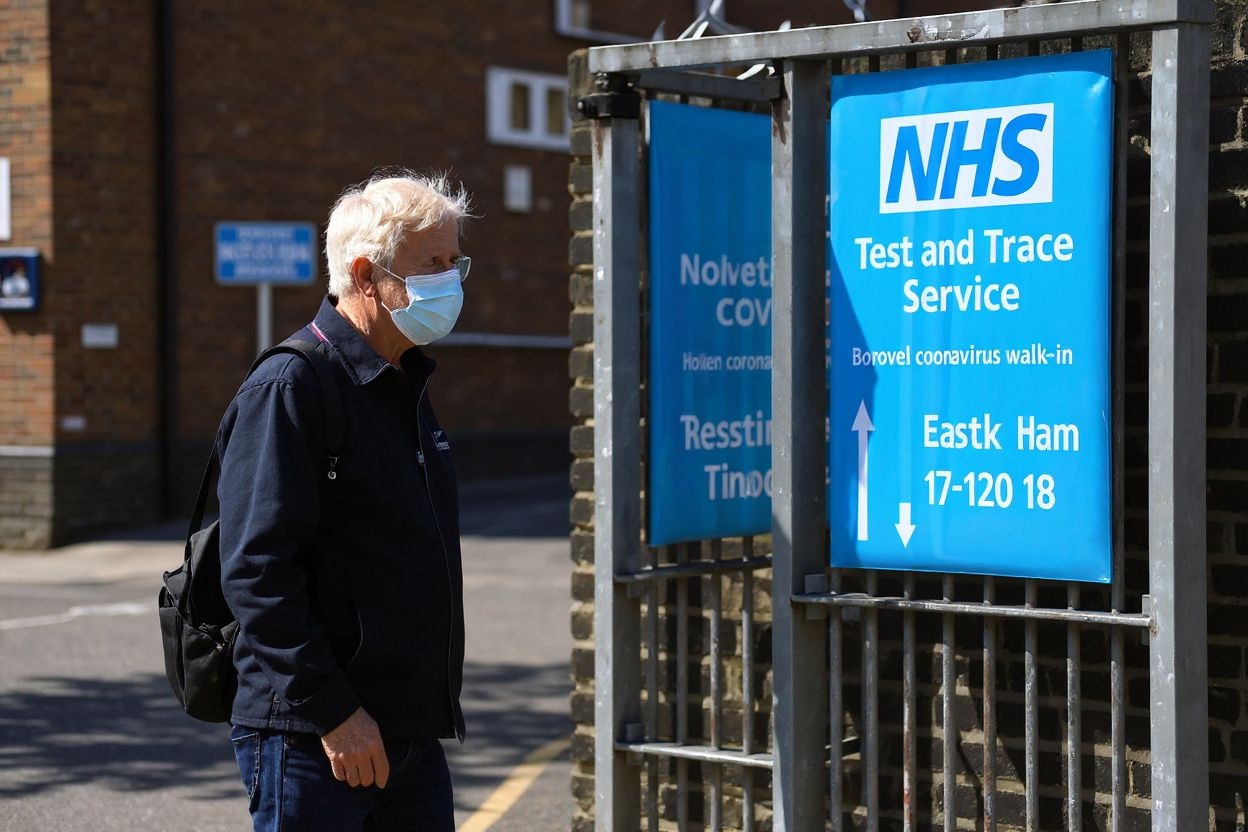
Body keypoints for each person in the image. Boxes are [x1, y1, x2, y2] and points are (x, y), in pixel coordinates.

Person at [217, 171, 473, 831]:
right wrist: (334, 712)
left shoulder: (401, 381)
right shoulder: (292, 386)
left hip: (407, 730)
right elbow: (256, 570)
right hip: (319, 736)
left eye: (454, 262)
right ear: (366, 275)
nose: (451, 281)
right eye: (432, 265)